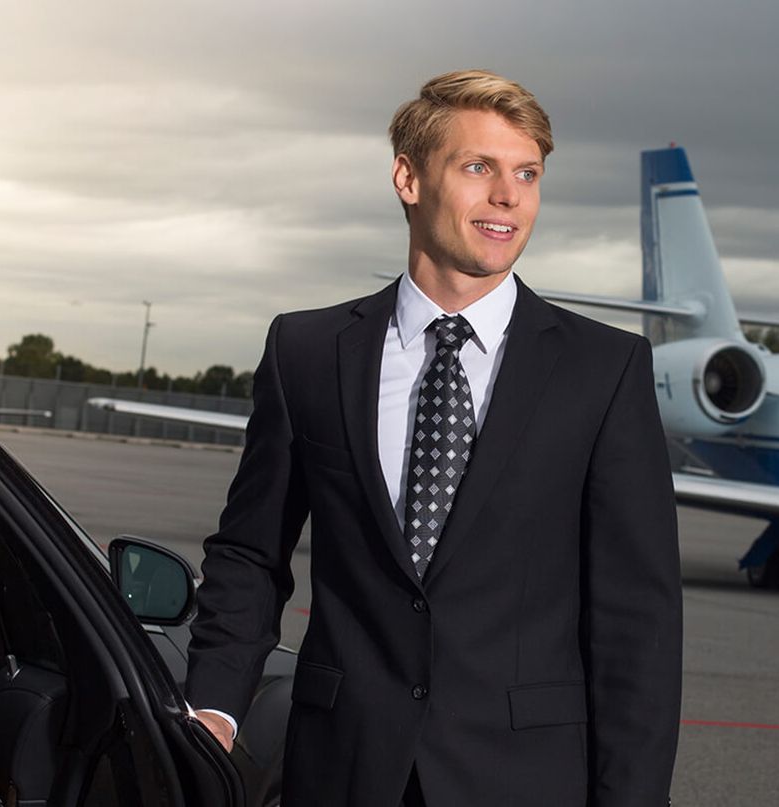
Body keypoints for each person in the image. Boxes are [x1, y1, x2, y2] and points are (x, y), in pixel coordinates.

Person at [184, 69, 682, 807]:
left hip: (526, 781)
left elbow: (637, 621)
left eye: (527, 174)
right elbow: (251, 555)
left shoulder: (603, 370)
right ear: (409, 179)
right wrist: (214, 709)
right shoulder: (307, 352)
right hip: (341, 770)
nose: (508, 196)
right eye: (479, 167)